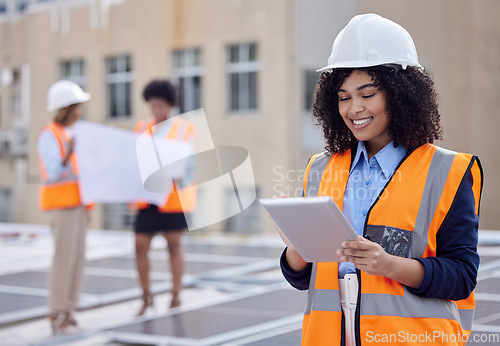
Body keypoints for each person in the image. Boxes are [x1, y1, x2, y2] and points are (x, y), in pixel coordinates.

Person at [277, 14, 483, 346]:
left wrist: (388, 265)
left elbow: (461, 277)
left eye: (367, 94)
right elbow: (305, 278)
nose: (354, 108)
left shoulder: (448, 171)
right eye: (344, 97)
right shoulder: (319, 168)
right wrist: (296, 252)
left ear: (401, 94)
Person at [133, 79, 196, 315]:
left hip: (172, 198)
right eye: (152, 105)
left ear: (168, 105)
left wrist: (181, 177)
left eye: (160, 105)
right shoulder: (141, 127)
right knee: (140, 245)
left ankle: (175, 295)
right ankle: (146, 297)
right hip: (147, 197)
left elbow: (191, 163)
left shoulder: (183, 128)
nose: (156, 109)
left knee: (173, 245)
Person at [37, 80, 91, 334]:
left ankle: (69, 311)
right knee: (63, 260)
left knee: (78, 259)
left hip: (78, 206)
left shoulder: (72, 133)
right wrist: (68, 154)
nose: (81, 111)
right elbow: (51, 173)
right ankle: (56, 312)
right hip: (62, 207)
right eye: (78, 106)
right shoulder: (50, 134)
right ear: (67, 108)